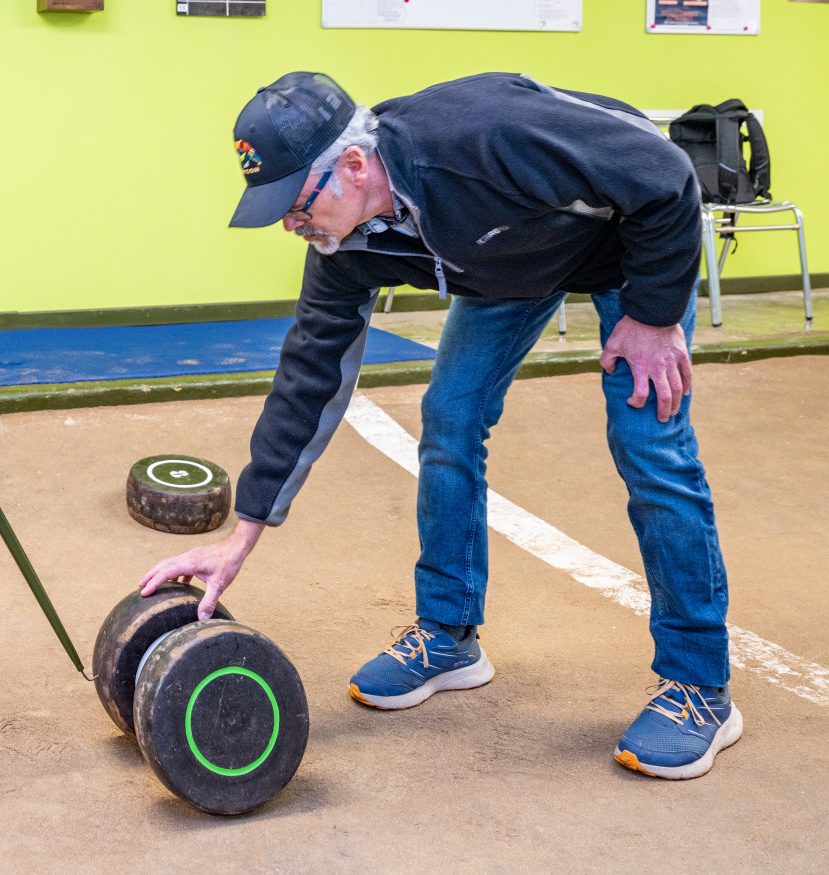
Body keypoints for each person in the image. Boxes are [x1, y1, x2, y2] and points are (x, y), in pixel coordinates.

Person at [142, 72, 739, 781]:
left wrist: (654, 314)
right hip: (512, 264)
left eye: (297, 203)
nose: (291, 225)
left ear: (354, 167)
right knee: (450, 418)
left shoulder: (480, 138)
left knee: (650, 446)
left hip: (630, 247)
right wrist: (243, 530)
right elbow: (310, 375)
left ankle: (701, 686)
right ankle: (450, 633)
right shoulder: (346, 246)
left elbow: (665, 176)